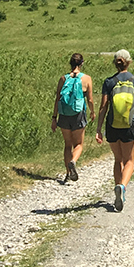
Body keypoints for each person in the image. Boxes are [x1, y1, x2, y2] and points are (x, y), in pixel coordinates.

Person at [95, 49, 134, 212]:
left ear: (115, 63)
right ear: (128, 62)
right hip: (128, 125)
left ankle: (118, 186)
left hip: (112, 125)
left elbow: (103, 107)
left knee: (118, 159)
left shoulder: (109, 82)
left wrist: (98, 129)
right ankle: (122, 187)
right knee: (129, 160)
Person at [51, 52, 95, 182]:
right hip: (78, 114)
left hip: (64, 114)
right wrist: (92, 112)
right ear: (82, 64)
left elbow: (57, 99)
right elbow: (90, 99)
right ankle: (73, 162)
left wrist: (54, 118)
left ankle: (68, 173)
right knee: (79, 144)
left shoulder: (63, 79)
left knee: (67, 145)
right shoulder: (86, 79)